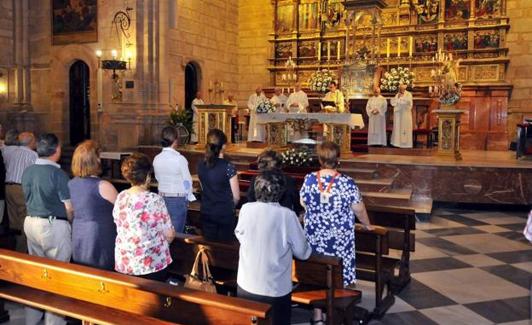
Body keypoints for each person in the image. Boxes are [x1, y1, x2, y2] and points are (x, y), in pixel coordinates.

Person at [299, 141, 373, 323]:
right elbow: (359, 209)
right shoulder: (346, 183)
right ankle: (337, 311)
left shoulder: (309, 178)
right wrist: (367, 225)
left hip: (315, 236)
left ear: (319, 159)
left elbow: (302, 202)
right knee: (339, 273)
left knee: (317, 275)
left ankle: (317, 316)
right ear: (338, 159)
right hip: (339, 238)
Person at [236, 171, 312, 325]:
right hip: (275, 288)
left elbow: (239, 233)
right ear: (280, 191)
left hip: (247, 283)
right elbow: (303, 253)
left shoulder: (246, 209)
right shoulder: (287, 215)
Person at [22, 133, 73, 325]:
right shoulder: (58, 174)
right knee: (58, 276)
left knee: (38, 275)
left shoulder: (28, 170)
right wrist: (69, 222)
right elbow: (68, 207)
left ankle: (32, 318)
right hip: (53, 225)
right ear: (56, 150)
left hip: (31, 222)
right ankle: (55, 321)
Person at [113, 153, 175, 281]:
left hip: (126, 263)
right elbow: (169, 233)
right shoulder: (154, 200)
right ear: (147, 176)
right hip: (151, 264)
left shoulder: (121, 197)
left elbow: (118, 223)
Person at [68, 140, 117, 270]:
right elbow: (122, 212)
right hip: (99, 236)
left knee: (83, 273)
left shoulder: (70, 184)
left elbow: (70, 211)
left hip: (78, 233)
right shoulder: (103, 186)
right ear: (95, 161)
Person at [197, 129, 239, 242]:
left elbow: (203, 188)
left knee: (209, 247)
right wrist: (227, 206)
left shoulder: (200, 164)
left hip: (207, 211)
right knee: (224, 250)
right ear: (224, 146)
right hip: (224, 214)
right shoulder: (228, 166)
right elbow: (236, 197)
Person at [153, 126, 196, 233]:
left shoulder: (156, 158)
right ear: (176, 140)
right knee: (176, 235)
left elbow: (157, 178)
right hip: (177, 199)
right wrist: (188, 196)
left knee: (163, 233)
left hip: (161, 198)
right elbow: (187, 181)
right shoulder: (180, 159)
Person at [3, 132, 37, 252]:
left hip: (8, 188)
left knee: (14, 222)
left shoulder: (9, 152)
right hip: (21, 188)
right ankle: (21, 251)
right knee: (24, 220)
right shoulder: (33, 155)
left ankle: (12, 248)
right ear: (31, 142)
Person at [247, 150, 303, 216]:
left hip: (260, 215)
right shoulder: (289, 180)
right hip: (282, 217)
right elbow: (296, 202)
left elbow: (250, 198)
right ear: (280, 164)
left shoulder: (256, 178)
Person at [390, 82, 413, 148]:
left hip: (405, 114)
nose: (400, 89)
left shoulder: (408, 94)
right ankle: (397, 143)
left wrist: (400, 100)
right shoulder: (397, 94)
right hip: (398, 114)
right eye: (400, 88)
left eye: (402, 88)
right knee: (398, 128)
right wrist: (398, 99)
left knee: (404, 128)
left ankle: (406, 144)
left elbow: (408, 102)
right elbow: (393, 102)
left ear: (405, 88)